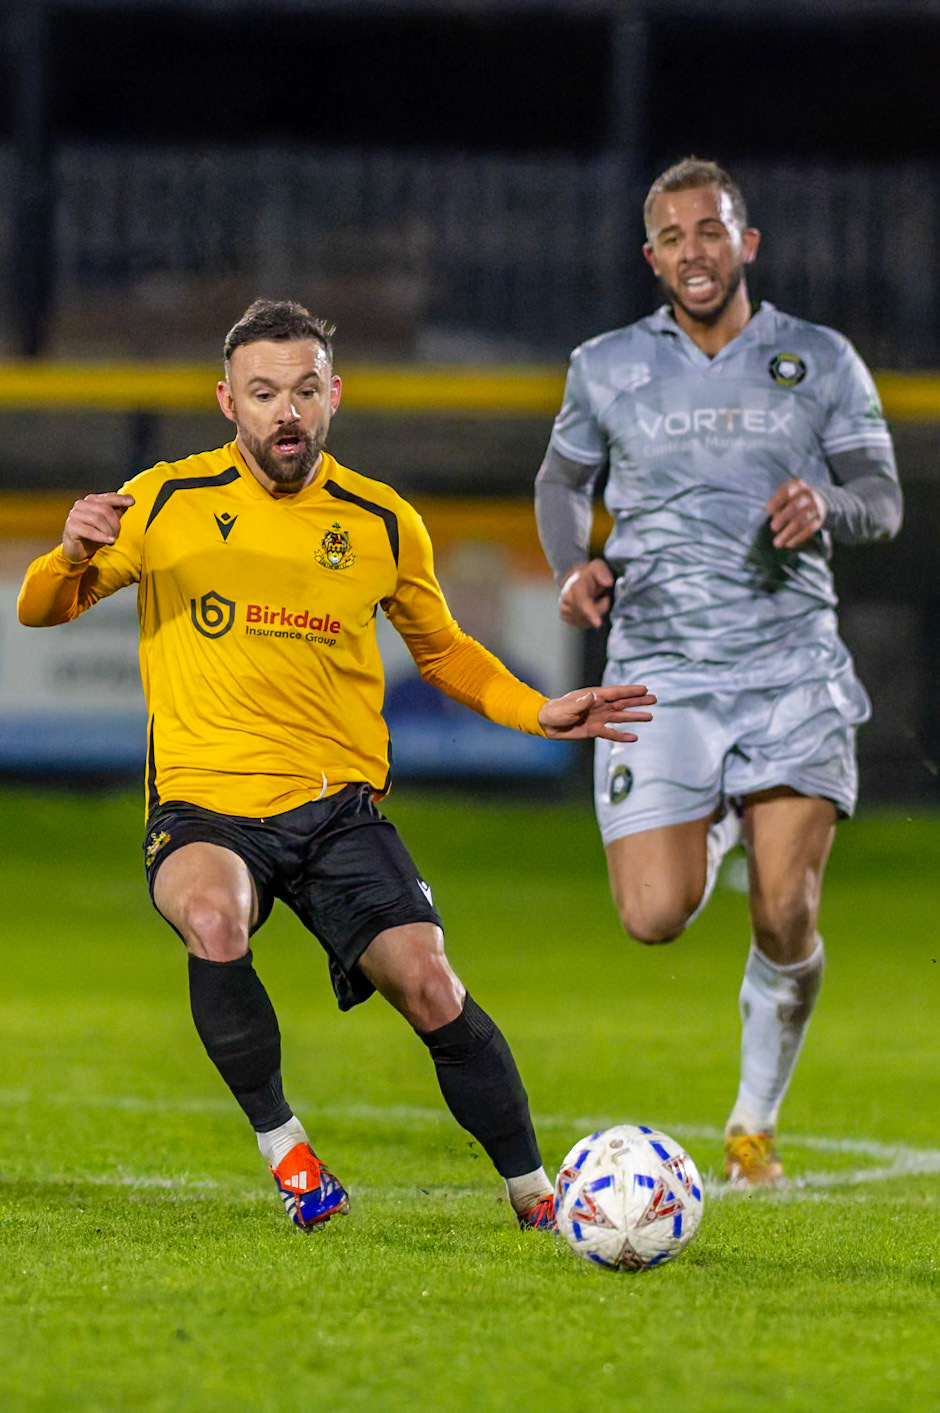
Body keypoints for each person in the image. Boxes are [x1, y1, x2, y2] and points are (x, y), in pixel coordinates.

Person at [19, 299, 654, 1232]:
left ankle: (537, 1195)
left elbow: (444, 652)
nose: (286, 410)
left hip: (337, 812)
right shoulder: (164, 501)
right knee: (211, 914)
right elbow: (42, 608)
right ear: (227, 401)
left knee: (432, 984)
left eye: (304, 391)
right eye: (264, 391)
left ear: (335, 397)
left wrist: (538, 709)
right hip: (205, 804)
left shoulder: (381, 520)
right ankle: (290, 1153)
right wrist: (69, 554)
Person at [535, 158, 902, 1186]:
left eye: (712, 229)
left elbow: (882, 493)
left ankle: (751, 1125)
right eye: (672, 235)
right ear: (650, 258)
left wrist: (829, 504)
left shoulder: (818, 358)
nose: (694, 250)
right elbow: (562, 480)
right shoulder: (605, 365)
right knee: (652, 916)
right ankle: (723, 813)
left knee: (785, 914)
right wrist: (573, 565)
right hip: (658, 670)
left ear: (746, 244)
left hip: (790, 674)